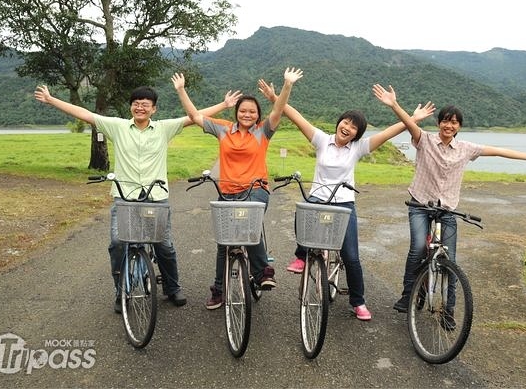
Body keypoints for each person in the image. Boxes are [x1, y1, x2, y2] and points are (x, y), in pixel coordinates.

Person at [34, 84, 241, 313]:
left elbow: (194, 117)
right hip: (125, 197)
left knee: (165, 246)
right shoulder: (118, 126)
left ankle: (172, 288)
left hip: (156, 196)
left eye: (145, 104)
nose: (140, 107)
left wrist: (224, 105)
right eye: (136, 103)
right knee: (117, 244)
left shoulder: (164, 128)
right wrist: (52, 100)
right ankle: (121, 291)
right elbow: (84, 114)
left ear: (154, 109)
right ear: (130, 106)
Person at [372, 83, 526, 326]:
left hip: (447, 209)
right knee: (416, 247)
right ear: (439, 124)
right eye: (445, 121)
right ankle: (408, 296)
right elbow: (409, 123)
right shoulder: (424, 140)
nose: (449, 125)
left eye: (454, 122)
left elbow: (497, 150)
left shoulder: (466, 149)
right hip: (420, 205)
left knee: (450, 259)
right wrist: (394, 104)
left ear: (459, 126)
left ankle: (449, 309)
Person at [258, 79, 436, 321]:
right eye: (346, 122)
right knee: (302, 209)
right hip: (319, 198)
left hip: (344, 203)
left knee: (351, 256)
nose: (348, 128)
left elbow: (387, 133)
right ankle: (302, 255)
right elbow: (295, 116)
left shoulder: (358, 148)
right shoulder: (322, 140)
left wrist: (411, 119)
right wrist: (273, 98)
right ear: (339, 122)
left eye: (354, 127)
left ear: (357, 133)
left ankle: (358, 301)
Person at [171, 67, 304, 309]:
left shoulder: (264, 131)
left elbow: (278, 109)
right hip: (227, 192)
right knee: (224, 243)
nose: (247, 114)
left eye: (252, 111)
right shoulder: (223, 129)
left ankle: (263, 271)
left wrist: (287, 86)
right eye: (243, 110)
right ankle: (219, 290)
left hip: (256, 189)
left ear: (257, 115)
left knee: (247, 228)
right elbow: (193, 116)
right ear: (236, 112)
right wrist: (181, 91)